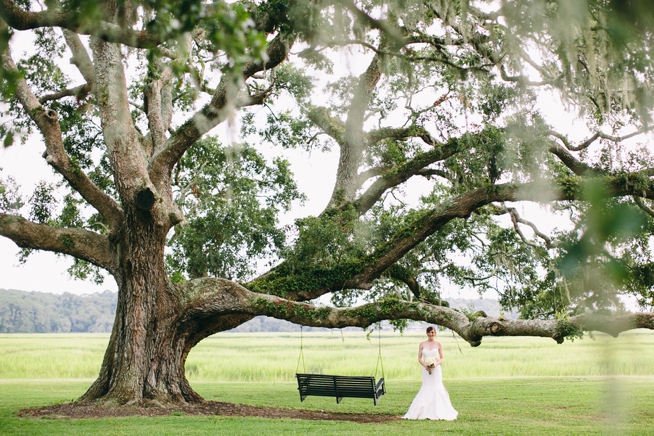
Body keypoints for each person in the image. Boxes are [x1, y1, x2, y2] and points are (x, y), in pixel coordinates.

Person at [403, 325, 458, 420]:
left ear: (435, 333)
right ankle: (423, 410)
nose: (431, 334)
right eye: (429, 332)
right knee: (426, 387)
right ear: (426, 333)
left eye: (432, 332)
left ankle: (440, 410)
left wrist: (435, 364)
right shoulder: (422, 344)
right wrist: (425, 365)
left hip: (436, 370)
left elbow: (442, 358)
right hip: (426, 370)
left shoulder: (438, 344)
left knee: (437, 387)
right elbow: (419, 358)